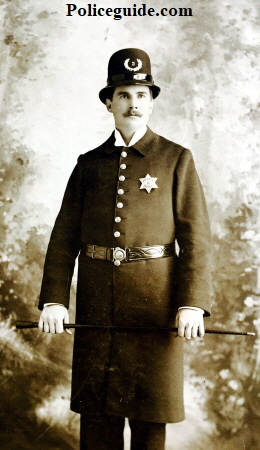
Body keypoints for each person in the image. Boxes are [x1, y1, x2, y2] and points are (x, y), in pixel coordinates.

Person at [38, 48, 212, 450]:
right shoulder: (89, 165)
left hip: (155, 312)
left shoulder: (175, 160)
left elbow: (197, 240)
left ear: (151, 102)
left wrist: (191, 304)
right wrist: (54, 301)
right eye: (124, 95)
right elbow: (64, 239)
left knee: (150, 426)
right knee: (98, 424)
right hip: (98, 312)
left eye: (142, 95)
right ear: (108, 102)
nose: (134, 104)